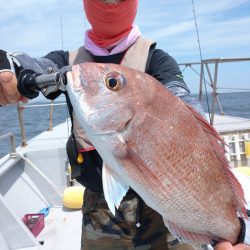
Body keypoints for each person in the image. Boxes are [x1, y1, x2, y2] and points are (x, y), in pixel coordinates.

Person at [0, 0, 249, 249]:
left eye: (112, 83)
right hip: (99, 210)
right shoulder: (68, 60)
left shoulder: (158, 61)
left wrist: (232, 233)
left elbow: (182, 102)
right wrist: (9, 68)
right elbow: (37, 67)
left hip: (166, 213)